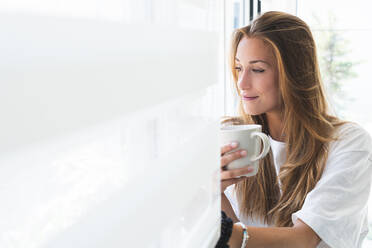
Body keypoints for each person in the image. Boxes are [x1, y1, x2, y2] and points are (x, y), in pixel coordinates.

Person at [216, 11, 372, 248]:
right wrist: (213, 194)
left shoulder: (348, 143)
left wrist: (223, 232)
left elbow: (303, 241)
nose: (242, 83)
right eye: (239, 68)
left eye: (257, 70)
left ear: (294, 72)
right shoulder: (230, 135)